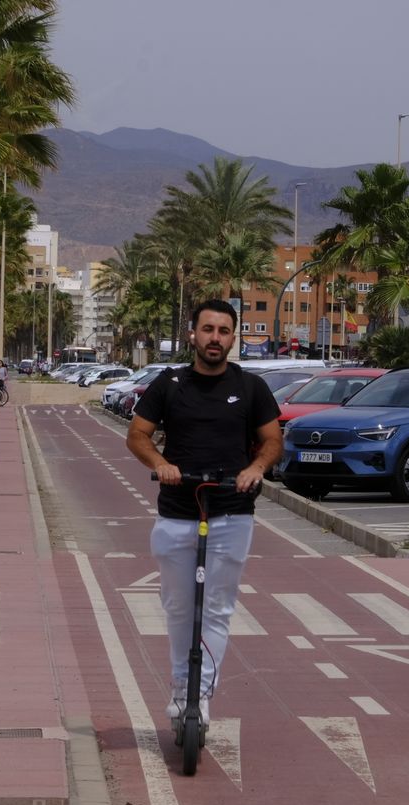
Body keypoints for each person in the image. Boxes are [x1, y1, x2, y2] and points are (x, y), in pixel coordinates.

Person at [125, 299, 282, 731]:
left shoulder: (251, 387)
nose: (216, 338)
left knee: (216, 608)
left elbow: (272, 441)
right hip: (177, 511)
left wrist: (254, 469)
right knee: (178, 607)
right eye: (208, 329)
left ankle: (202, 695)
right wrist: (159, 464)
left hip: (232, 511)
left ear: (233, 337)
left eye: (224, 331)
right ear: (192, 334)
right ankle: (181, 687)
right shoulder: (170, 383)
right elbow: (137, 434)